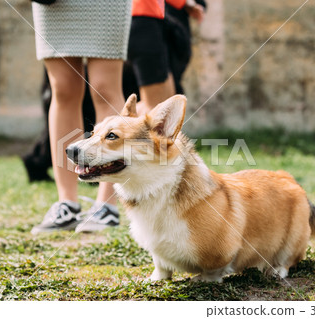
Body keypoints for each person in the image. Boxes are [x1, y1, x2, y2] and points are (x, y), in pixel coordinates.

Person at [30, 0, 133, 235]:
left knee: (105, 88)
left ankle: (107, 206)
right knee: (63, 88)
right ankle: (67, 204)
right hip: (55, 4)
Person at [128, 0, 204, 116]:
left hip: (153, 19)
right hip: (142, 18)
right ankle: (122, 128)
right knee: (154, 107)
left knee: (166, 104)